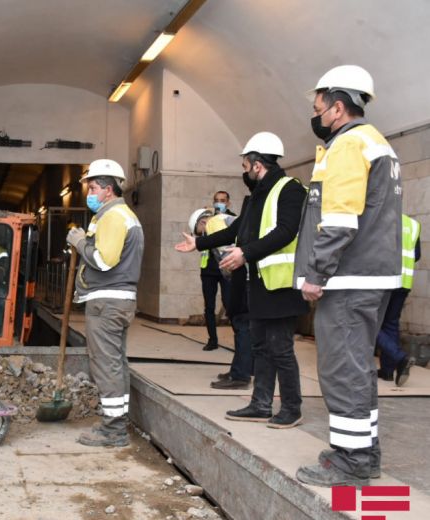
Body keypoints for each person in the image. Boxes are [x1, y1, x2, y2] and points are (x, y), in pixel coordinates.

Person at [295, 66, 402, 487]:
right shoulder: (378, 144)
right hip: (371, 277)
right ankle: (361, 450)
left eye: (319, 108)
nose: (317, 116)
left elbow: (338, 222)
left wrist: (315, 274)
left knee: (342, 368)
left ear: (338, 108)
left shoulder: (348, 146)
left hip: (348, 277)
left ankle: (352, 462)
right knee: (357, 367)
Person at [178, 133, 308, 419]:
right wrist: (199, 243)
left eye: (245, 165)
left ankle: (291, 408)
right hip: (258, 284)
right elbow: (236, 231)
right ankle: (261, 404)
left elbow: (287, 231)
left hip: (282, 284)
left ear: (257, 165)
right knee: (260, 346)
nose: (244, 171)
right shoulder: (256, 197)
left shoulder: (291, 190)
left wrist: (246, 254)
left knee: (280, 349)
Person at [66, 159, 144, 447]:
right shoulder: (125, 216)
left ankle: (113, 431)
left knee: (106, 364)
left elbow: (103, 260)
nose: (90, 192)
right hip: (120, 300)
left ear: (109, 190)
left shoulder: (112, 217)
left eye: (94, 187)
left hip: (107, 302)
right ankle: (118, 420)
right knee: (115, 363)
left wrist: (78, 242)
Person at [187, 208, 253, 390]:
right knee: (242, 326)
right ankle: (239, 369)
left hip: (244, 279)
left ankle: (241, 375)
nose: (203, 239)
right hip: (247, 278)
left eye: (201, 234)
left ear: (202, 223)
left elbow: (229, 257)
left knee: (241, 326)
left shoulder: (214, 223)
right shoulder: (225, 219)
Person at [376, 214, 420, 385]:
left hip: (383, 278)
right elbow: (416, 254)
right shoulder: (413, 224)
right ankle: (387, 371)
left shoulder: (380, 218)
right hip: (404, 281)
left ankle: (399, 356)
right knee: (391, 323)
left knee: (368, 322)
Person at [199, 191, 236, 351]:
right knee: (209, 306)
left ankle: (240, 339)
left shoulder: (233, 219)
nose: (218, 203)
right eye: (216, 200)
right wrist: (201, 228)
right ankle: (212, 340)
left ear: (228, 203)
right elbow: (198, 240)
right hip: (208, 269)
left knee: (230, 304)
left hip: (226, 269)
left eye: (222, 200)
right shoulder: (206, 219)